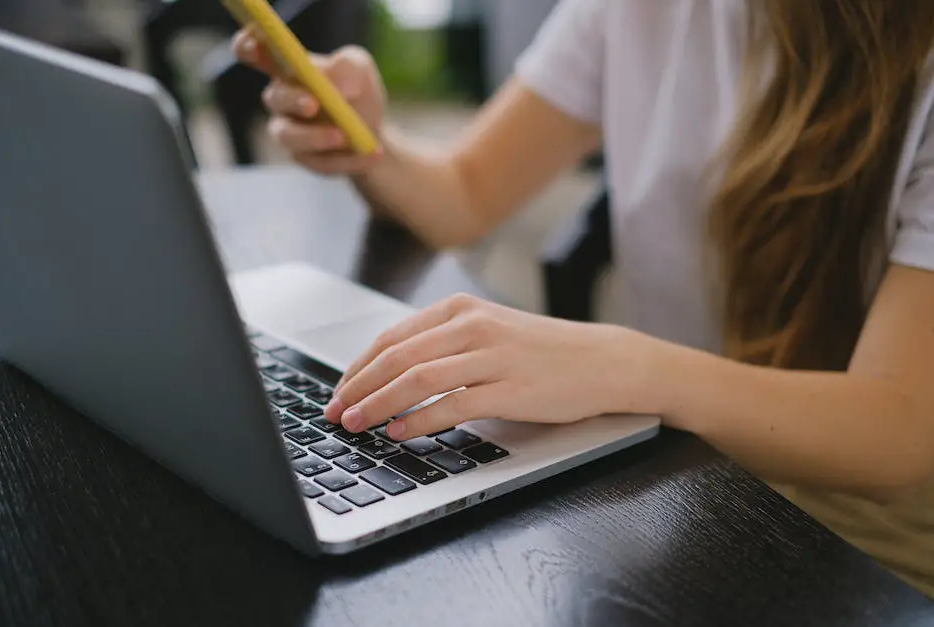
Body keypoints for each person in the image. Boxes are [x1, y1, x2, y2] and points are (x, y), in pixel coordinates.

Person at [234, 1, 934, 597]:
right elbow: (467, 192)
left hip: (867, 547)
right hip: (697, 479)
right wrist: (367, 142)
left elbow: (899, 432)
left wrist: (631, 368)